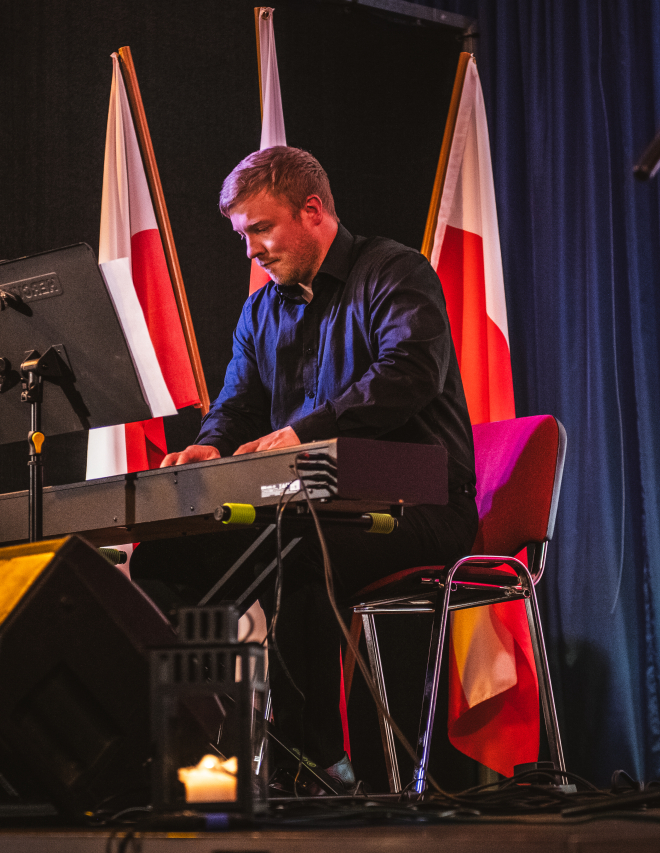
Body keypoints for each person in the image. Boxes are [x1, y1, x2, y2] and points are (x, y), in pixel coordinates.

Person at [129, 146, 477, 788]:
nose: (252, 251)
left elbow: (408, 373)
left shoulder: (395, 271)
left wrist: (302, 433)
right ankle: (187, 749)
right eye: (244, 236)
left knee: (298, 550)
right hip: (311, 505)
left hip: (421, 505)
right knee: (165, 559)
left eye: (261, 229)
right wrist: (212, 445)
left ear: (312, 211)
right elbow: (238, 403)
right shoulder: (260, 310)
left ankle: (314, 764)